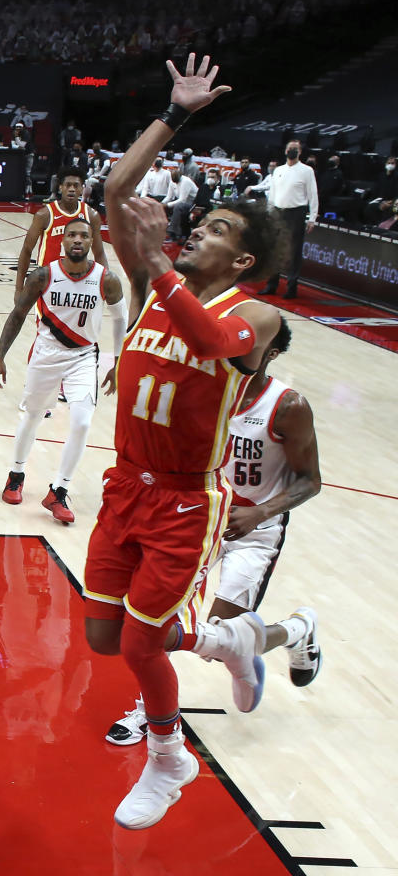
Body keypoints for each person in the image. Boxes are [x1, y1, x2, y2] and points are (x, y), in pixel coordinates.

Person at [83, 52, 297, 830]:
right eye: (197, 223)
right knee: (106, 637)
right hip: (124, 486)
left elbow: (209, 341)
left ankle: (170, 756)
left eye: (212, 229)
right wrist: (175, 115)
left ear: (240, 259)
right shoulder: (151, 286)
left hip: (183, 501)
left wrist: (157, 265)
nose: (194, 232)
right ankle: (231, 638)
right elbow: (114, 192)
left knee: (142, 650)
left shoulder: (253, 315)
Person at [105, 315, 322, 746]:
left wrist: (260, 514)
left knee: (223, 636)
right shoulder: (204, 389)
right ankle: (151, 712)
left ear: (271, 352)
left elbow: (310, 480)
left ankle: (298, 629)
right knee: (159, 623)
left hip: (255, 529)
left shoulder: (287, 406)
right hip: (199, 519)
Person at [0, 217, 127, 523]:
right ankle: (16, 474)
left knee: (81, 423)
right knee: (33, 415)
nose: (78, 240)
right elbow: (18, 314)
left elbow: (120, 319)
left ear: (93, 242)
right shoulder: (44, 275)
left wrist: (117, 360)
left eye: (84, 235)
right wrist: (0, 356)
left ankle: (59, 491)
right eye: (72, 235)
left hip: (83, 357)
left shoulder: (107, 279)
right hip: (46, 354)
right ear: (63, 241)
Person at [15, 166, 107, 298]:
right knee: (46, 319)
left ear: (82, 188)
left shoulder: (91, 215)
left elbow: (99, 253)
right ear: (60, 187)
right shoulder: (45, 214)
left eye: (76, 186)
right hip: (48, 279)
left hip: (79, 280)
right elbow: (26, 250)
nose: (71, 189)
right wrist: (19, 288)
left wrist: (104, 283)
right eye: (67, 185)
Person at [259, 138, 318, 298]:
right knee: (274, 249)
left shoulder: (307, 171)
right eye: (290, 148)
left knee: (293, 251)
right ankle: (271, 284)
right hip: (277, 211)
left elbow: (313, 195)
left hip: (296, 213)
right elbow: (273, 194)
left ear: (299, 152)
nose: (292, 150)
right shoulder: (278, 170)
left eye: (295, 148)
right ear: (285, 151)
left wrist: (312, 217)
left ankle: (292, 287)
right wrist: (269, 212)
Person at [163, 166, 199, 242]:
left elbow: (182, 200)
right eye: (174, 182)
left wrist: (168, 205)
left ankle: (172, 233)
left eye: (177, 181)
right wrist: (162, 204)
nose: (175, 183)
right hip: (182, 203)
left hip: (193, 204)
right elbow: (169, 197)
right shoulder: (172, 182)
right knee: (164, 207)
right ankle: (162, 229)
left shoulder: (186, 181)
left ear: (180, 177)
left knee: (178, 207)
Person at [10, 121, 35, 196]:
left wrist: (17, 138)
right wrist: (18, 146)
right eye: (17, 127)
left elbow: (22, 145)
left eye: (19, 127)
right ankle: (22, 191)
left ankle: (28, 192)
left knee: (27, 173)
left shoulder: (26, 133)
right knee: (19, 173)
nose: (18, 129)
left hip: (29, 155)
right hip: (20, 156)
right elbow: (13, 146)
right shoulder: (13, 133)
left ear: (22, 128)